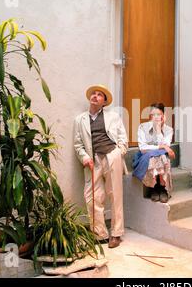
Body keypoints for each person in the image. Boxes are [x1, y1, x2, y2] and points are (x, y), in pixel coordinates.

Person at [73, 84, 128, 249]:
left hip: (111, 157)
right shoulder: (80, 120)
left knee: (115, 195)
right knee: (92, 197)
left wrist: (118, 153)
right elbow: (77, 144)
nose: (95, 96)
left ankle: (116, 234)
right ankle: (100, 234)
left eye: (99, 95)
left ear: (104, 102)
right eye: (93, 94)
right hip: (92, 160)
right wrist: (84, 158)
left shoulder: (114, 117)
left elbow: (123, 140)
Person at [133, 103, 175, 203]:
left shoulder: (168, 130)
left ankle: (162, 188)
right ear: (150, 115)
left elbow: (166, 145)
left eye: (158, 114)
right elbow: (143, 148)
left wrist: (158, 129)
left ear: (163, 116)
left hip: (161, 156)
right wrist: (162, 147)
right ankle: (155, 188)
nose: (155, 117)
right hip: (145, 156)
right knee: (155, 156)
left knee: (161, 155)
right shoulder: (142, 127)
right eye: (153, 114)